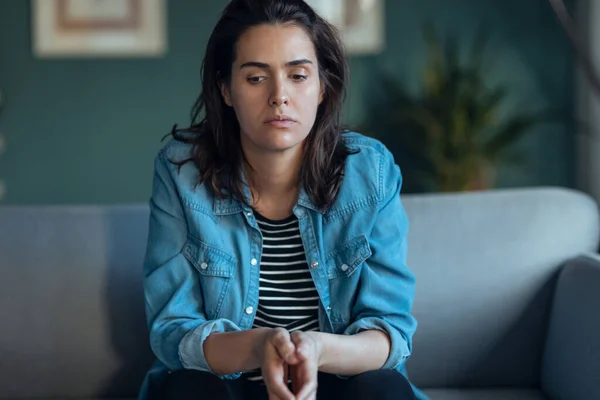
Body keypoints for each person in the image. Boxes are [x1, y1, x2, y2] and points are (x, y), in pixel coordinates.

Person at [140, 0, 423, 399]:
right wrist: (260, 346)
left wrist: (316, 348)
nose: (279, 96)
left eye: (298, 75)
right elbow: (174, 331)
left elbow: (389, 333)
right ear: (225, 89)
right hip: (230, 387)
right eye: (256, 78)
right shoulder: (181, 172)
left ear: (322, 86)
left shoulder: (370, 172)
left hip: (337, 384)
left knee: (383, 389)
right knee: (188, 389)